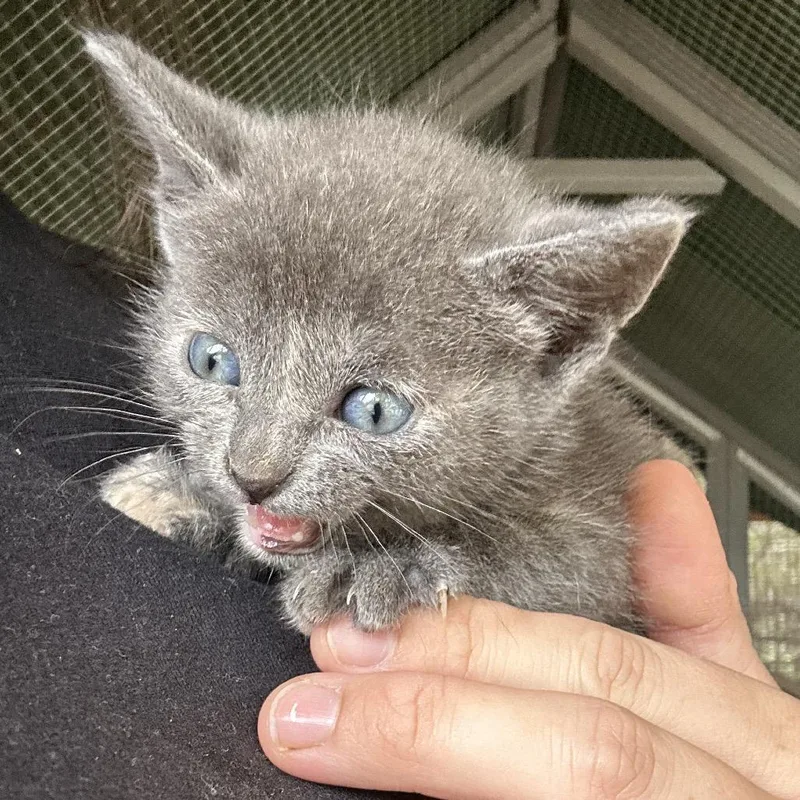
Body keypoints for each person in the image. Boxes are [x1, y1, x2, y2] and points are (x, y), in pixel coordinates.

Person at [3, 195, 798, 798]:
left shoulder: (558, 469)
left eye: (372, 409)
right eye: (219, 363)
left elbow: (587, 565)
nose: (254, 462)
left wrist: (434, 566)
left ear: (557, 334)